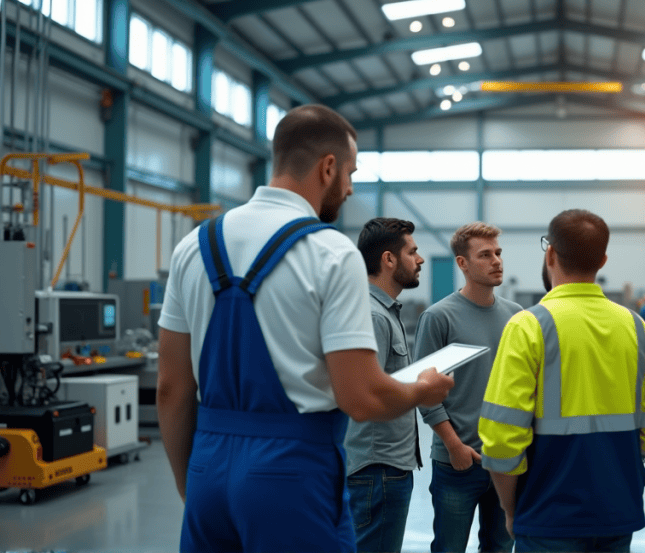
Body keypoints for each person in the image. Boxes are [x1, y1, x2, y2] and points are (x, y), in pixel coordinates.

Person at [156, 104, 453, 553]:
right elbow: (362, 397)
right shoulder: (331, 253)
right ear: (327, 167)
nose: (350, 188)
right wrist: (421, 391)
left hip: (207, 471)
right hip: (289, 472)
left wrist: (191, 483)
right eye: (350, 172)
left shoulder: (191, 248)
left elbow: (171, 389)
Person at [479, 209, 645, 553]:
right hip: (616, 513)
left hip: (547, 514)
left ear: (550, 253)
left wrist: (510, 509)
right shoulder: (637, 328)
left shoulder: (528, 327)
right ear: (603, 259)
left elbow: (501, 439)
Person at [414, 222, 521, 553]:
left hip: (504, 460)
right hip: (457, 462)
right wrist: (454, 446)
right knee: (449, 547)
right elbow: (424, 393)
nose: (497, 261)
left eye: (499, 253)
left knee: (501, 548)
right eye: (485, 255)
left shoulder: (516, 317)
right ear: (462, 263)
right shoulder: (439, 317)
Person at [344, 217, 425, 553]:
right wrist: (423, 389)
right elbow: (366, 396)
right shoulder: (375, 315)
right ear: (389, 260)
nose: (419, 260)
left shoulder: (383, 310)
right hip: (378, 470)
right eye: (413, 252)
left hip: (385, 467)